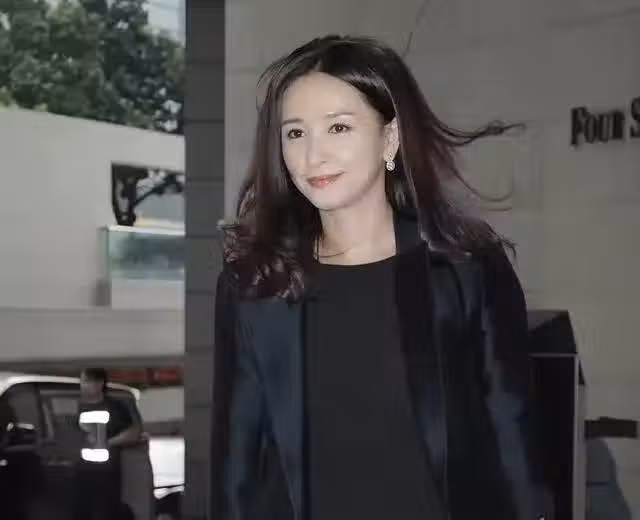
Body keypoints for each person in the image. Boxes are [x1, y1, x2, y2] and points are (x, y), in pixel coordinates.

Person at [212, 35, 552, 520]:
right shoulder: (257, 284)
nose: (313, 155)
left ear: (389, 138)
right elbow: (236, 462)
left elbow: (511, 426)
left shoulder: (464, 268)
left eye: (338, 127)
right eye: (295, 133)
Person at [73, 368, 140, 520]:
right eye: (83, 381)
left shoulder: (114, 406)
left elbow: (133, 432)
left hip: (107, 471)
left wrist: (108, 442)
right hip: (80, 470)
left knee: (108, 510)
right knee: (81, 510)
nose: (83, 385)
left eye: (86, 381)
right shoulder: (76, 406)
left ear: (99, 383)